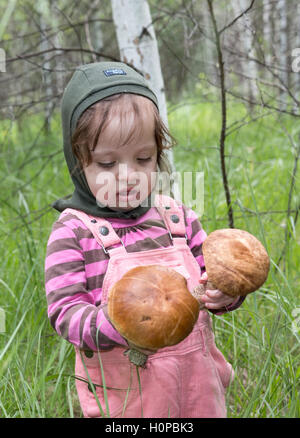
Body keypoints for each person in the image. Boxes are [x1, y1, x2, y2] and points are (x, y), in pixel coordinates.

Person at [44, 61, 245, 418]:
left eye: (143, 158)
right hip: (127, 400)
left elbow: (208, 279)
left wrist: (224, 294)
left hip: (198, 390)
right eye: (107, 164)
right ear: (78, 161)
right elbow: (64, 314)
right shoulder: (74, 231)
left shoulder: (177, 218)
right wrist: (121, 322)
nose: (128, 176)